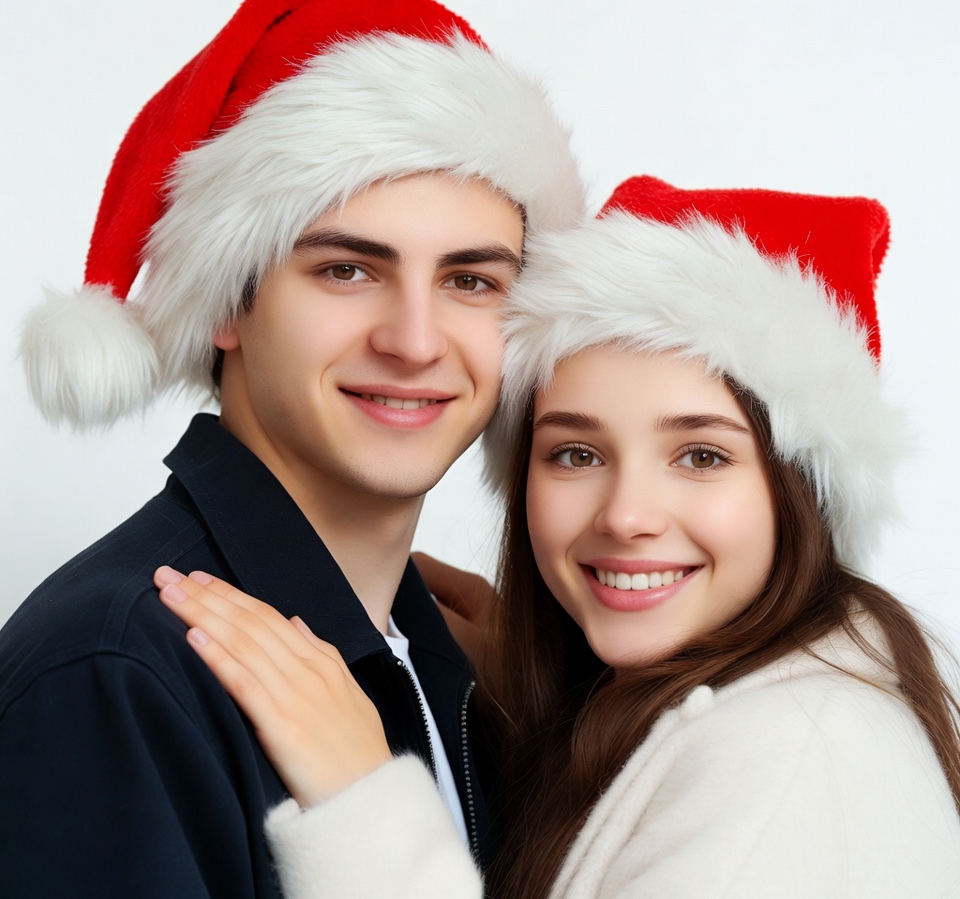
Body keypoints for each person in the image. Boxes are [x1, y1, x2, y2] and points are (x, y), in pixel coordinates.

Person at [155, 176, 960, 897]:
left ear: (800, 491)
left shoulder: (797, 766)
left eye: (702, 455)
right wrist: (555, 694)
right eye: (576, 453)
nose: (625, 515)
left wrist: (366, 805)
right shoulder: (719, 707)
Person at [0, 0, 583, 898]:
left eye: (471, 280)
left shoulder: (450, 663)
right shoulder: (116, 677)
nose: (415, 340)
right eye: (348, 270)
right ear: (228, 302)